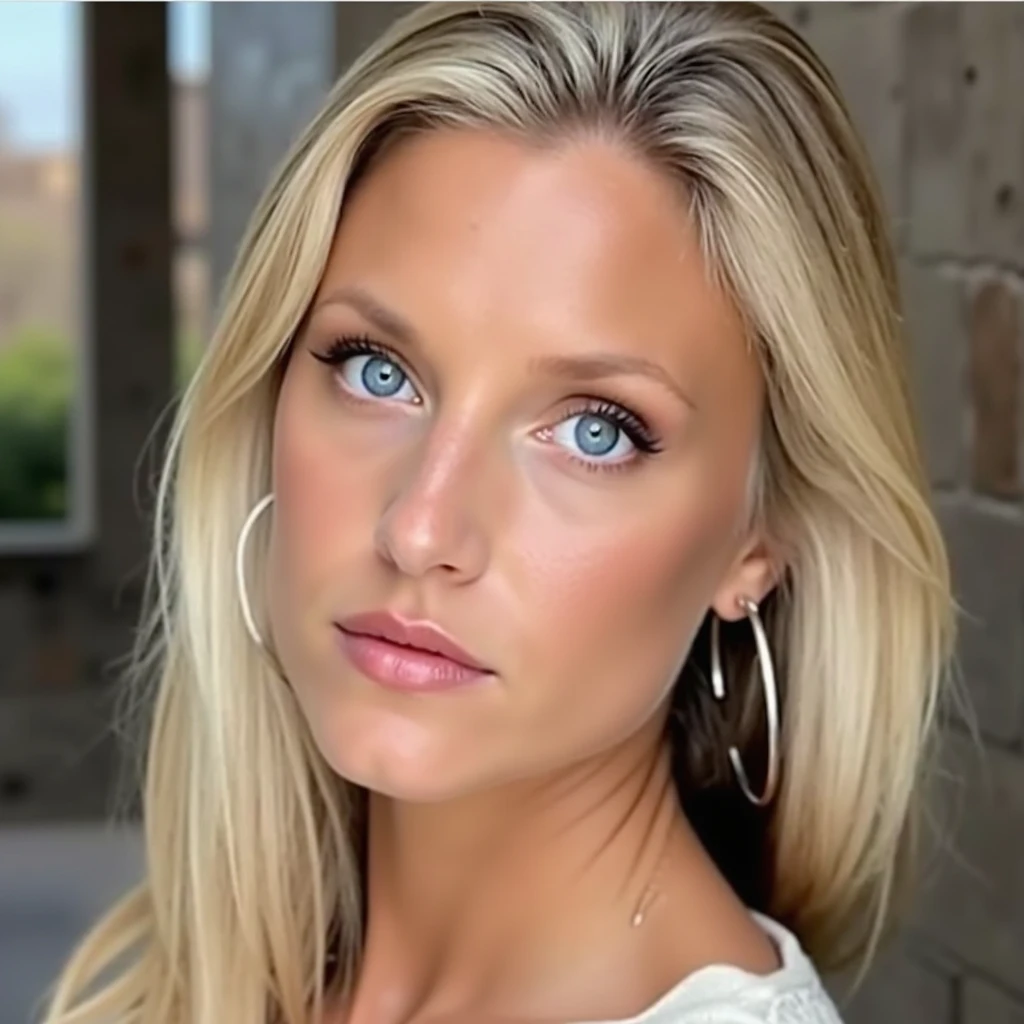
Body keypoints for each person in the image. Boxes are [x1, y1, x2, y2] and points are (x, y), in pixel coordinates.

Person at [43, 3, 956, 1023]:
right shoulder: (216, 977)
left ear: (758, 540)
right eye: (377, 371)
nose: (420, 528)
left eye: (596, 431)